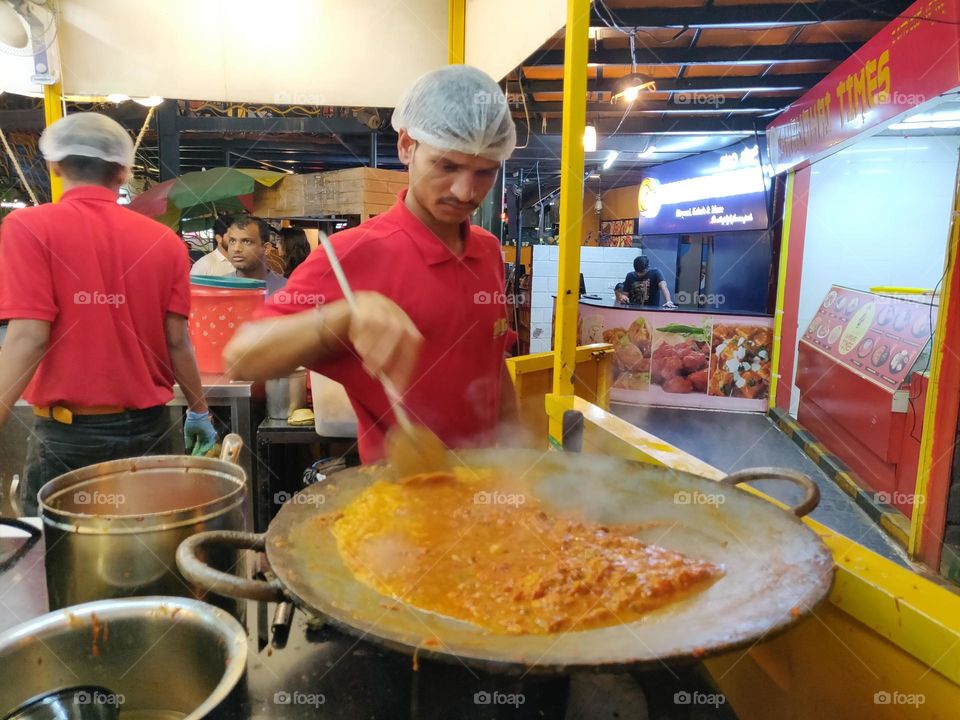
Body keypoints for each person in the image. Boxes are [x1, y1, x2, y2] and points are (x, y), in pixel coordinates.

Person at [224, 64, 519, 462]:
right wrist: (342, 318)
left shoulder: (486, 251)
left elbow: (493, 367)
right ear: (406, 146)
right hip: (397, 502)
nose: (466, 192)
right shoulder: (353, 252)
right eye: (447, 166)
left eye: (485, 172)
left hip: (486, 493)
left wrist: (524, 467)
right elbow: (241, 358)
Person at [0, 113, 217, 515]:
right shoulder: (165, 242)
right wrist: (199, 409)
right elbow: (177, 342)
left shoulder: (27, 227)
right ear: (122, 171)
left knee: (58, 568)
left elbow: (28, 338)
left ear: (55, 165)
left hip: (69, 442)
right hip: (152, 434)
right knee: (147, 564)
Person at [223, 215, 287, 297]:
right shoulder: (217, 288)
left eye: (247, 242)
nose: (236, 249)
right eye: (232, 241)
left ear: (266, 248)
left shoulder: (287, 290)